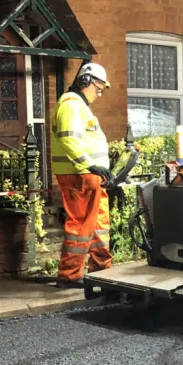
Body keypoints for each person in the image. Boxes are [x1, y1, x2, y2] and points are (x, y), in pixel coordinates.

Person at [51, 62, 112, 288]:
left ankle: (101, 268)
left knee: (97, 223)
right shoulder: (71, 105)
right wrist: (90, 165)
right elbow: (69, 139)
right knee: (80, 226)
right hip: (80, 175)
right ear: (85, 81)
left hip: (87, 175)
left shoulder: (78, 106)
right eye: (98, 87)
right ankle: (69, 275)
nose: (99, 92)